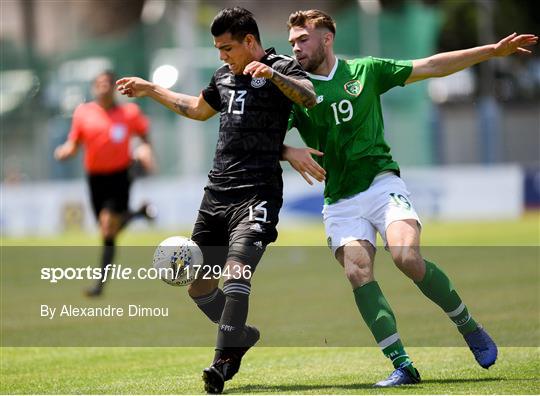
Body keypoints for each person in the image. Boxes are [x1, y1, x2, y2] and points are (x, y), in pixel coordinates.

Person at [284, 9, 538, 387]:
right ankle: (402, 365)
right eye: (292, 42)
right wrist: (288, 151)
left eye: (303, 39)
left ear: (326, 38)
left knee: (406, 256)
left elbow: (432, 66)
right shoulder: (292, 91)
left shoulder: (365, 71)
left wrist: (491, 51)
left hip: (381, 185)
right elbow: (254, 137)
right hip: (339, 199)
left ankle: (467, 325)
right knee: (358, 271)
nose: (296, 49)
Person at [116, 7, 317, 394]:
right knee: (198, 287)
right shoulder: (223, 77)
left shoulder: (281, 66)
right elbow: (196, 109)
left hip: (257, 194)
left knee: (237, 274)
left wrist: (273, 75)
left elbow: (307, 98)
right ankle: (240, 336)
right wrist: (150, 89)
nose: (222, 56)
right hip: (216, 195)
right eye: (217, 49)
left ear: (250, 42)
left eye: (227, 48)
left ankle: (223, 361)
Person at [55, 70, 157, 297]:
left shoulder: (129, 112)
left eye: (107, 83)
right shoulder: (84, 112)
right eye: (99, 83)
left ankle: (100, 285)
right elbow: (74, 142)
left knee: (108, 225)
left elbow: (144, 134)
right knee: (107, 229)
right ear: (94, 88)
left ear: (113, 88)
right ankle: (140, 213)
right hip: (94, 178)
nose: (103, 87)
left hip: (120, 175)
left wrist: (146, 151)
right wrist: (65, 151)